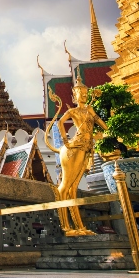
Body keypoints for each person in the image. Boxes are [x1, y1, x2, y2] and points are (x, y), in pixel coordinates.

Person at [43, 78, 107, 236]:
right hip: (75, 147)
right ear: (74, 97)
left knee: (73, 189)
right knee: (65, 187)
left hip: (87, 148)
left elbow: (102, 124)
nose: (83, 96)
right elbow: (60, 123)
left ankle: (79, 226)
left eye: (85, 93)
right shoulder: (72, 111)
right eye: (80, 93)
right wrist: (66, 141)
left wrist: (106, 130)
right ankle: (65, 226)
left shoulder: (90, 110)